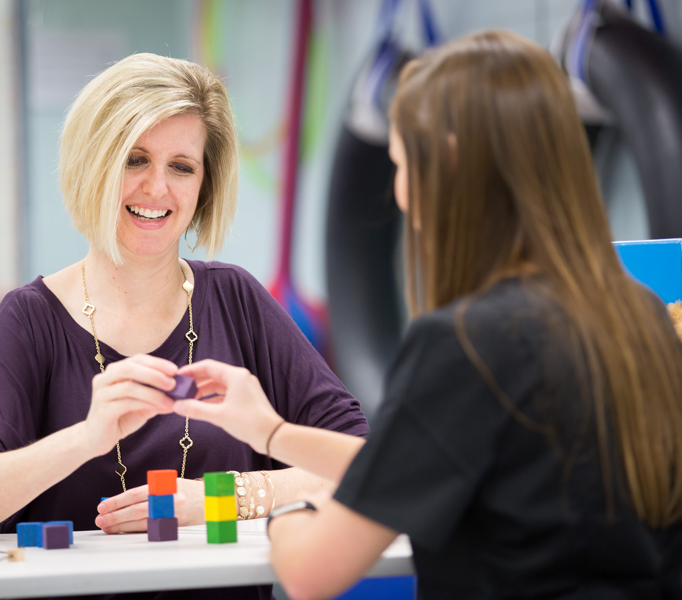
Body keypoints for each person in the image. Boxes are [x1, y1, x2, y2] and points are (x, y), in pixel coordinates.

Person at [172, 30, 682, 600]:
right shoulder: (641, 316)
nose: (402, 193)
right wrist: (272, 433)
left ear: (450, 160)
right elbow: (417, 459)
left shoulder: (467, 343)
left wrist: (290, 510)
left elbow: (311, 572)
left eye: (402, 164)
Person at [0, 53, 368, 599]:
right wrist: (85, 439)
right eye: (135, 159)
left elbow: (361, 462)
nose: (157, 188)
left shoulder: (237, 301)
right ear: (94, 164)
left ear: (203, 186)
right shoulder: (30, 320)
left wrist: (218, 498)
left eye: (182, 166)